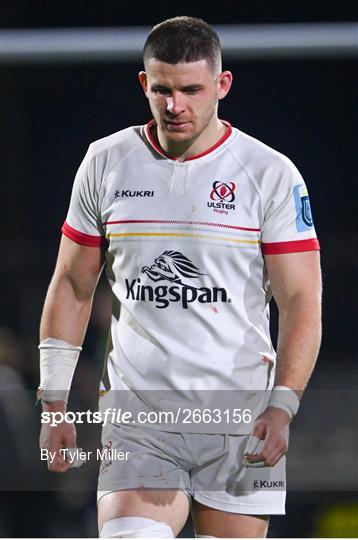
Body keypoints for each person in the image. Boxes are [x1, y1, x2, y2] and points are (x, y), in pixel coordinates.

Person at [38, 16, 322, 538]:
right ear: (144, 84)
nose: (176, 106)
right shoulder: (106, 162)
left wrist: (282, 407)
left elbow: (302, 300)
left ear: (222, 85)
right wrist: (53, 402)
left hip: (240, 420)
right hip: (139, 422)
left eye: (191, 89)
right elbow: (73, 286)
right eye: (163, 89)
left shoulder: (269, 173)